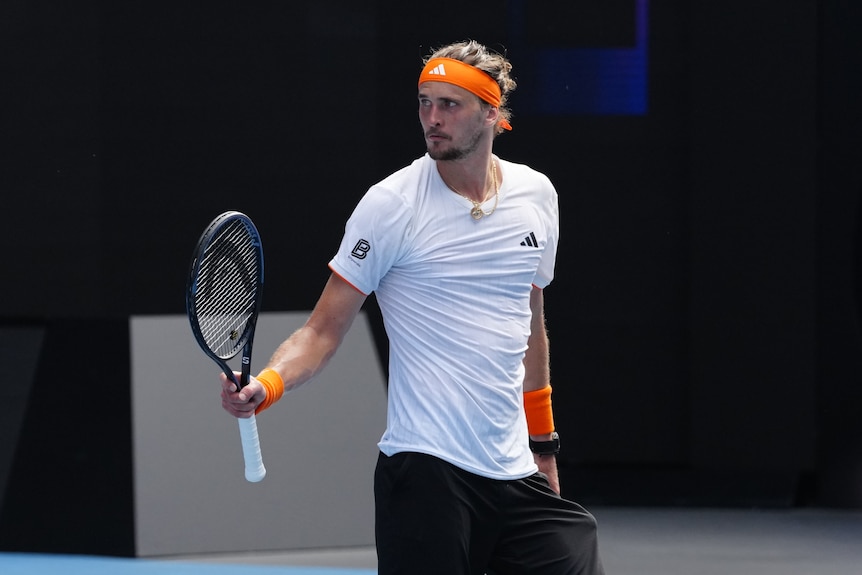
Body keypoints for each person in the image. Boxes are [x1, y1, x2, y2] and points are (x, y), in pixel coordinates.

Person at [221, 39, 605, 575]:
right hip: (427, 474)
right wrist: (268, 385)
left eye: (450, 104)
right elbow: (321, 331)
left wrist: (543, 444)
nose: (432, 118)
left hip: (516, 471)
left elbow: (530, 326)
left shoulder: (536, 195)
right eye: (425, 102)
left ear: (491, 113)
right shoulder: (391, 205)